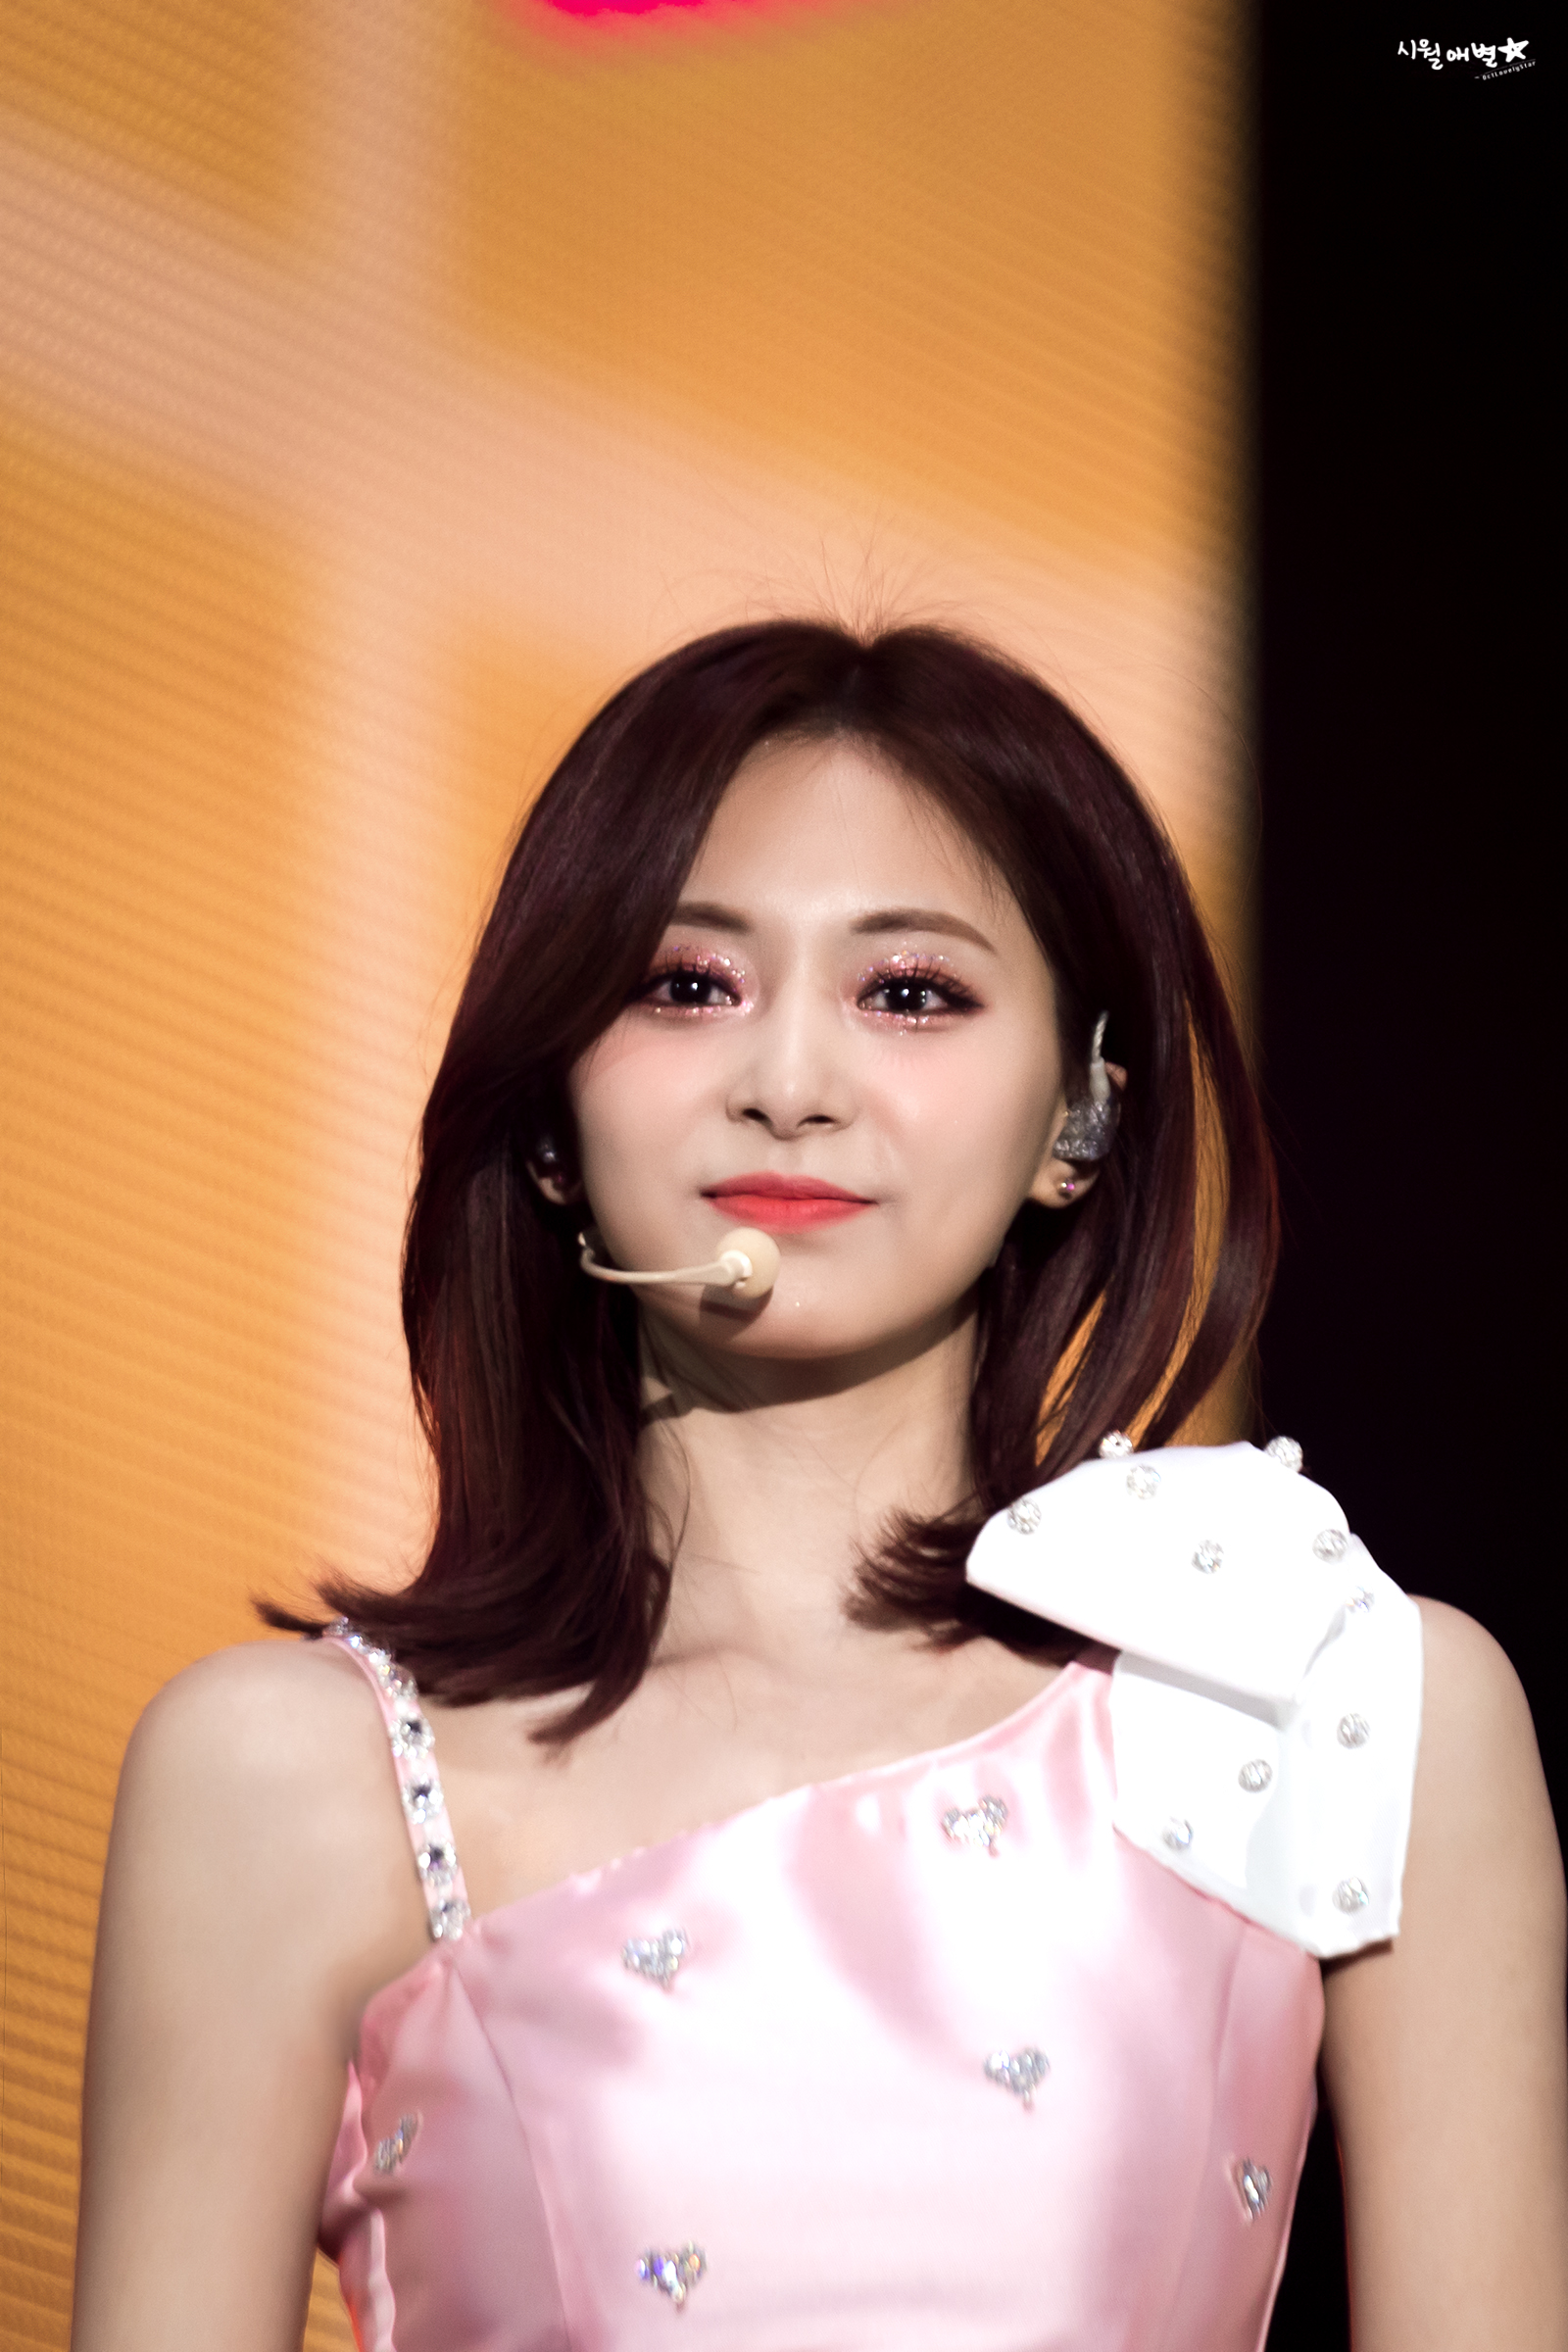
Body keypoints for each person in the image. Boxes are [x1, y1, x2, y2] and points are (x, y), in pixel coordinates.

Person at [72, 622, 1566, 2351]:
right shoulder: (288, 1777)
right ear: (549, 1115)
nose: (788, 1085)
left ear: (1080, 1118)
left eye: (910, 993)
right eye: (686, 985)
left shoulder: (1327, 1704)